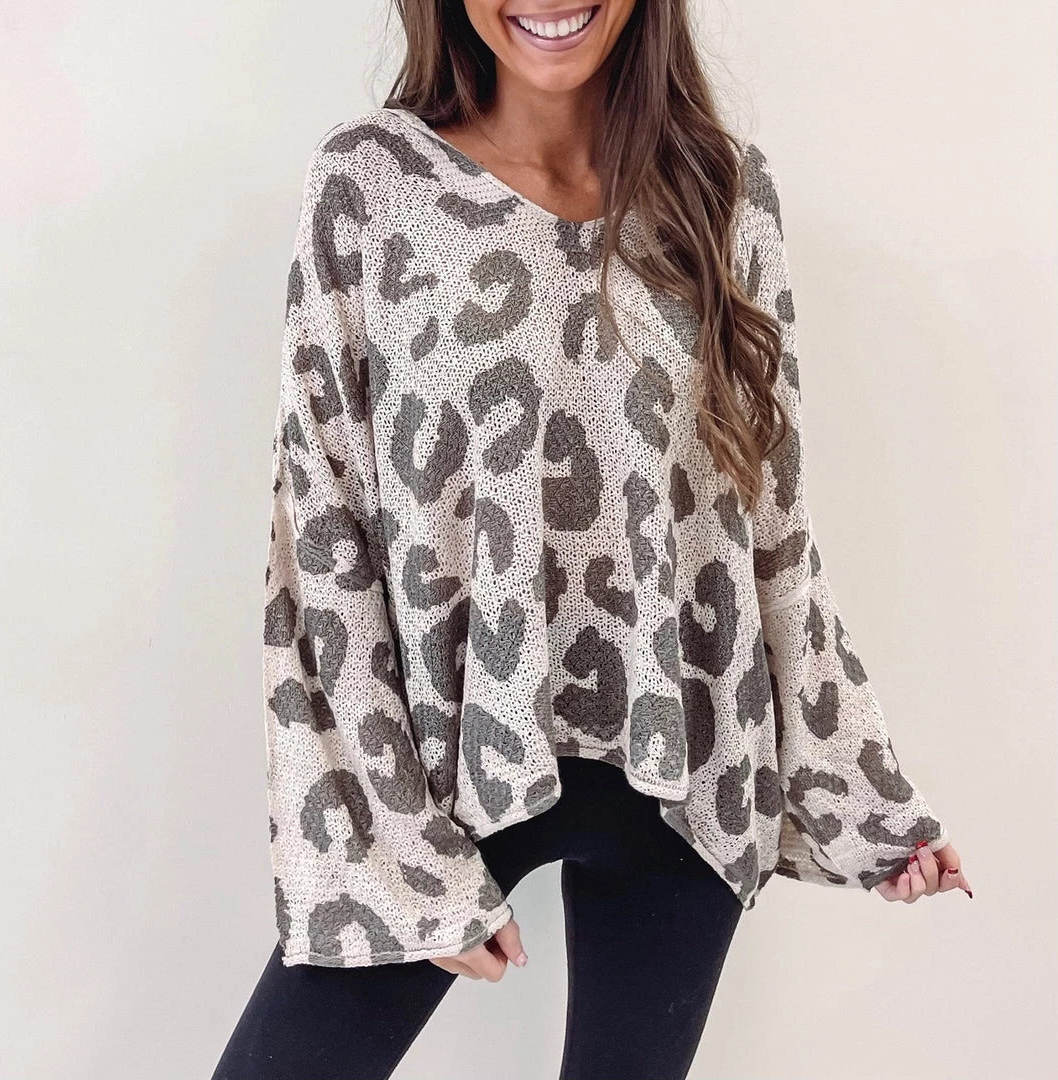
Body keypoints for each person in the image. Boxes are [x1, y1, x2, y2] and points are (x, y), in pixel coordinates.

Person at [211, 2, 972, 1077]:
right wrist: (390, 855)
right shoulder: (370, 184)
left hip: (688, 778)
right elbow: (321, 536)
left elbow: (771, 530)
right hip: (454, 769)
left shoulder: (723, 194)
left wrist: (866, 793)